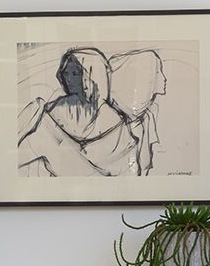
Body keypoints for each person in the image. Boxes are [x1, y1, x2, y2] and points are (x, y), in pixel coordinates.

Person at [17, 47, 141, 178]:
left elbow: (125, 168)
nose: (69, 79)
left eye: (75, 73)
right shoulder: (54, 109)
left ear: (92, 76)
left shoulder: (113, 119)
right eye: (65, 73)